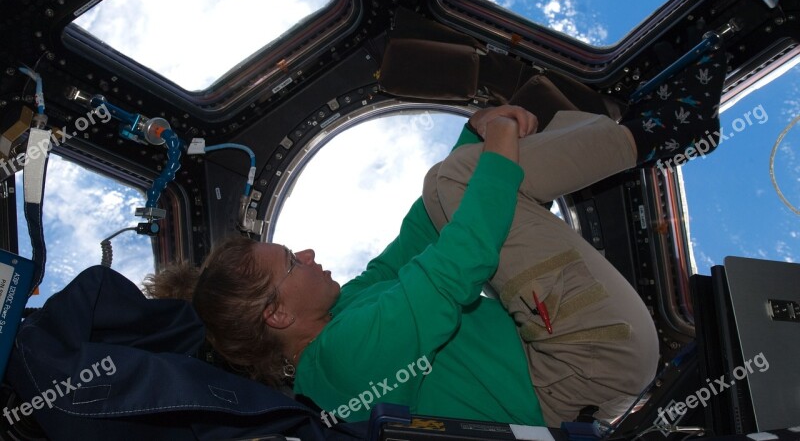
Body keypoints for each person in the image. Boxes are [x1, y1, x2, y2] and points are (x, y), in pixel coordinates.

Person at [151, 50, 727, 427]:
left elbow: (425, 228)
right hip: (580, 366)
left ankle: (643, 130)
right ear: (276, 315)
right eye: (290, 263)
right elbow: (459, 263)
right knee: (461, 181)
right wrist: (496, 146)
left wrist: (475, 131)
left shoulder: (351, 307)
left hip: (577, 361)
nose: (306, 254)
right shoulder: (338, 363)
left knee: (448, 184)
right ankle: (653, 133)